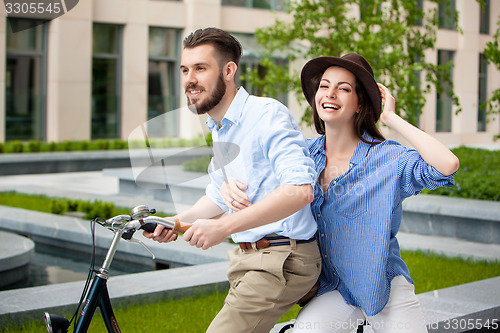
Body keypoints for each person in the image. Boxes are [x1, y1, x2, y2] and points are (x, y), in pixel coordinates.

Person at [222, 53, 459, 332]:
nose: (330, 93)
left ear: (360, 104)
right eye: (324, 85)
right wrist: (227, 186)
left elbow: (447, 165)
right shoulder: (303, 153)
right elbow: (259, 181)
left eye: (344, 88)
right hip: (332, 288)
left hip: (382, 285)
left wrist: (391, 118)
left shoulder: (388, 158)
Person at [143, 27, 321, 333]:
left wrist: (222, 226)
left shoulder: (266, 115)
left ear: (228, 70)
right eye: (185, 69)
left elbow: (300, 190)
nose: (189, 79)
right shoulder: (220, 128)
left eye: (200, 68)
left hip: (284, 259)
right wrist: (175, 220)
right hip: (249, 258)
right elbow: (217, 195)